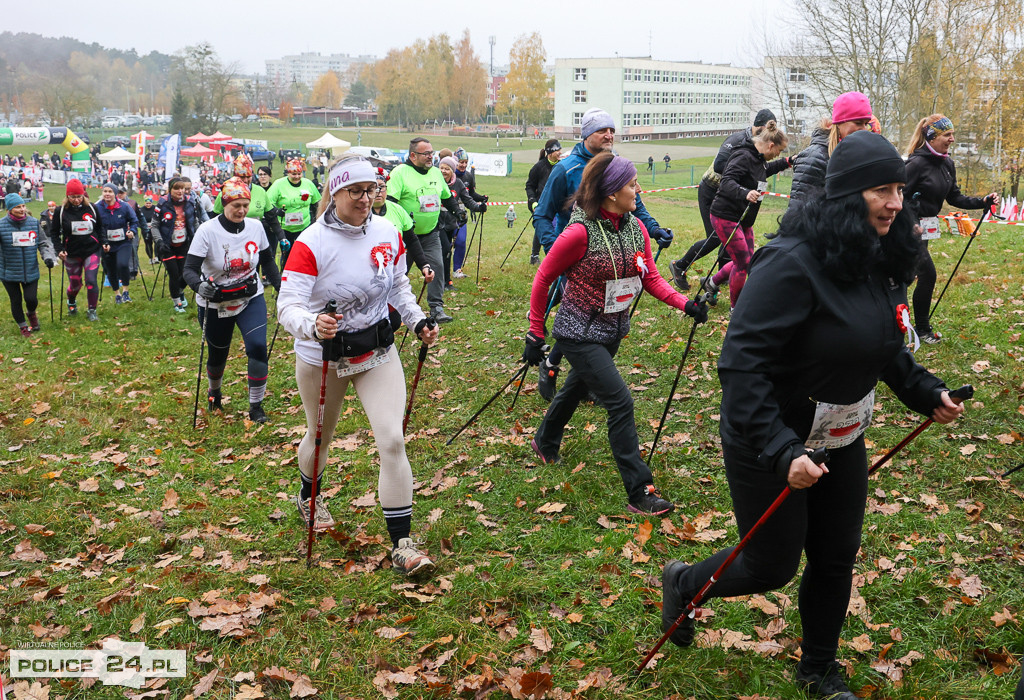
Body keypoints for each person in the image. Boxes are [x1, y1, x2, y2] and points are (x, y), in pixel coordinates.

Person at [659, 131, 966, 700]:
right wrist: (781, 449)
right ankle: (683, 581)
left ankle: (819, 669)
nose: (896, 202)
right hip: (768, 436)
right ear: (849, 193)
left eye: (899, 188)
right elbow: (741, 368)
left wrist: (927, 392)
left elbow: (887, 345)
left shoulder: (878, 256)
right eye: (882, 189)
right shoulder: (791, 264)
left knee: (834, 555)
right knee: (770, 566)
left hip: (841, 433)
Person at [276, 155, 440, 576]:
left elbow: (399, 284)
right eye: (356, 191)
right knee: (320, 438)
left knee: (393, 441)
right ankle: (308, 493)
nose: (366, 199)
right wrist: (313, 324)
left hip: (376, 352)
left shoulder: (387, 230)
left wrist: (416, 318)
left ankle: (403, 544)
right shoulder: (311, 242)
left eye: (372, 191)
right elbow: (286, 306)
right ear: (335, 192)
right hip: (324, 357)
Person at [523, 153, 707, 516]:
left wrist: (685, 304)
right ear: (610, 193)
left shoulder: (635, 228)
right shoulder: (579, 233)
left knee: (577, 386)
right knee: (620, 401)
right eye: (631, 184)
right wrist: (534, 332)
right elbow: (544, 276)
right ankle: (640, 490)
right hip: (578, 331)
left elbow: (650, 277)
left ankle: (544, 440)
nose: (638, 189)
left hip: (611, 330)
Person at [533, 108, 673, 401]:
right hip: (575, 254)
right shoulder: (565, 169)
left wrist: (655, 229)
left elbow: (636, 205)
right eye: (602, 130)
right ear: (586, 135)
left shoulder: (616, 165)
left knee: (599, 316)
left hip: (611, 253)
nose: (609, 135)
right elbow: (543, 215)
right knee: (578, 316)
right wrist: (554, 247)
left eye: (612, 130)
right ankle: (551, 364)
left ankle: (585, 378)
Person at [184, 177, 281, 423]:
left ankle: (256, 407)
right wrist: (199, 285)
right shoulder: (207, 231)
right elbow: (189, 269)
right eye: (235, 205)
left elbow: (267, 260)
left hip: (250, 297)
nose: (241, 210)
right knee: (218, 355)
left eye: (245, 205)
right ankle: (214, 392)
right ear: (224, 204)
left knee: (258, 347)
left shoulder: (256, 227)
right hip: (215, 302)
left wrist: (281, 287)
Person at [668, 109, 788, 290]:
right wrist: (740, 181)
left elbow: (759, 169)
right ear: (762, 127)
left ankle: (721, 278)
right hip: (712, 190)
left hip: (734, 195)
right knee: (716, 237)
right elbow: (720, 165)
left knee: (731, 238)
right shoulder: (739, 141)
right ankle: (680, 266)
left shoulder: (759, 149)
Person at [904, 114, 998, 344]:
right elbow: (897, 197)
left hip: (926, 227)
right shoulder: (915, 164)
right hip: (907, 228)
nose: (952, 139)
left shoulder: (947, 163)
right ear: (931, 136)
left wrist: (982, 201)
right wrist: (910, 220)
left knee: (909, 276)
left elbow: (954, 197)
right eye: (947, 135)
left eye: (952, 134)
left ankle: (910, 327)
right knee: (924, 275)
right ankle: (919, 330)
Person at [704, 121, 789, 308]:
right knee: (742, 263)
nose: (778, 155)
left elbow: (766, 171)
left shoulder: (759, 159)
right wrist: (745, 192)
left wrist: (788, 162)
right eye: (780, 151)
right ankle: (737, 309)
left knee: (747, 261)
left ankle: (711, 283)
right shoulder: (743, 155)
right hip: (725, 215)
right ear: (771, 145)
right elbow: (726, 182)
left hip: (743, 218)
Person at [386, 138, 464, 324]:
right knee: (399, 274)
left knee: (436, 267)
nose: (431, 156)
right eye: (426, 154)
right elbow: (390, 203)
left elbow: (446, 197)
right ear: (413, 155)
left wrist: (458, 212)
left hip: (430, 233)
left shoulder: (436, 173)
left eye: (432, 153)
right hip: (405, 237)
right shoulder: (400, 173)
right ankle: (388, 308)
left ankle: (436, 308)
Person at [789, 91, 875, 208]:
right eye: (858, 123)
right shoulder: (814, 158)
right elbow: (798, 213)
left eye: (866, 124)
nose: (864, 129)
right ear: (839, 123)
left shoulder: (854, 157)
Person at [1, 193, 57, 337]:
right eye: (17, 207)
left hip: (30, 269)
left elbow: (43, 243)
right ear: (9, 209)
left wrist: (48, 258)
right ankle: (23, 326)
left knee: (31, 299)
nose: (22, 209)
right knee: (16, 300)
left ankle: (31, 313)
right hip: (9, 272)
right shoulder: (2, 225)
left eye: (23, 206)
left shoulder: (33, 222)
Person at [53, 179, 107, 322]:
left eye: (79, 197)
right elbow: (54, 233)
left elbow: (100, 228)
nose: (76, 200)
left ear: (83, 195)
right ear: (67, 197)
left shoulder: (92, 208)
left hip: (91, 250)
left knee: (91, 280)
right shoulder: (61, 211)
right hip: (72, 253)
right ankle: (71, 301)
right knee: (75, 284)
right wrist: (59, 249)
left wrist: (104, 242)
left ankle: (92, 310)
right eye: (73, 197)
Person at [214, 154, 283, 250]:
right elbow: (214, 218)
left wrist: (282, 238)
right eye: (242, 177)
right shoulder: (225, 192)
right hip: (232, 240)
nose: (245, 180)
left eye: (248, 176)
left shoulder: (260, 191)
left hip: (254, 239)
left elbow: (271, 218)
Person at [438, 156, 486, 282]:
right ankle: (442, 279)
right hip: (437, 222)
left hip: (453, 220)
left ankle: (451, 275)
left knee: (457, 244)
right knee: (445, 249)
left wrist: (478, 207)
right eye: (441, 168)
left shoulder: (458, 183)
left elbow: (468, 198)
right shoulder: (435, 181)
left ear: (452, 170)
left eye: (447, 169)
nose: (443, 171)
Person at [154, 177, 198, 313]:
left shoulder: (190, 202)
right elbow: (155, 226)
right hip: (167, 245)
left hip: (184, 244)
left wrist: (198, 237)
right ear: (170, 189)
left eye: (182, 188)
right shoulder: (162, 203)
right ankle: (177, 303)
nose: (180, 191)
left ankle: (178, 290)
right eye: (176, 188)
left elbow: (194, 222)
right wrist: (159, 241)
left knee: (185, 273)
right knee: (173, 273)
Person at [266, 158, 321, 268]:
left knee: (305, 254)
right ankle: (285, 276)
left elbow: (317, 202)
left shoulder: (308, 184)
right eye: (293, 174)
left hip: (305, 226)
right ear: (288, 173)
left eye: (299, 174)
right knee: (288, 256)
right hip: (286, 229)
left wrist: (316, 220)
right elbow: (267, 202)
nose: (297, 176)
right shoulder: (278, 184)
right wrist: (277, 211)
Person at [96, 183, 139, 304]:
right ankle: (117, 294)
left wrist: (132, 231)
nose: (107, 194)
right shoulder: (97, 207)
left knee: (123, 264)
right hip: (107, 243)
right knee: (110, 269)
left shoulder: (124, 206)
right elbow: (96, 227)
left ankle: (125, 291)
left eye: (110, 191)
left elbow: (134, 221)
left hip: (123, 242)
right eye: (105, 191)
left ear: (115, 193)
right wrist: (102, 241)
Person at [525, 139, 562, 265]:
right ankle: (535, 255)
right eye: (557, 150)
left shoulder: (561, 165)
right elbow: (529, 185)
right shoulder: (539, 167)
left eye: (560, 149)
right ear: (550, 152)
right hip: (541, 204)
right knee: (542, 228)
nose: (559, 152)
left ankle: (557, 255)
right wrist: (533, 202)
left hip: (558, 204)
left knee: (557, 228)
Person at [117, 187, 148, 279]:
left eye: (121, 193)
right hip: (119, 232)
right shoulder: (115, 203)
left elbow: (141, 217)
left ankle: (133, 272)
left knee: (133, 251)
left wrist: (145, 230)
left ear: (125, 193)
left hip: (132, 231)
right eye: (118, 193)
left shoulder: (133, 203)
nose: (120, 195)